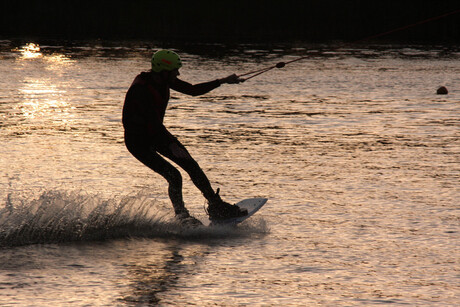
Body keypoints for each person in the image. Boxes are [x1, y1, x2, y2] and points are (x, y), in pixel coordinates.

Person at [122, 50, 248, 227]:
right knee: (174, 176)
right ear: (163, 71)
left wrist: (223, 81)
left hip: (156, 133)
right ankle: (182, 217)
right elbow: (146, 123)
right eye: (174, 70)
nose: (177, 74)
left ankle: (215, 205)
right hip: (138, 142)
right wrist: (171, 146)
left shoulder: (164, 79)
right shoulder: (141, 89)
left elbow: (192, 90)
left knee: (191, 164)